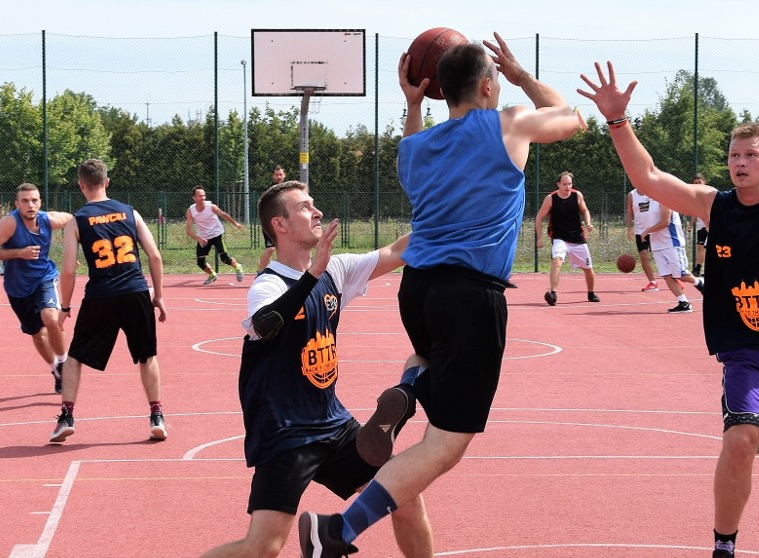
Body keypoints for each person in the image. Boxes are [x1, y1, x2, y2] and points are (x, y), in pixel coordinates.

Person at [299, 33, 583, 555]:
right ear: (486, 85)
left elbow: (414, 145)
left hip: (419, 289)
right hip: (471, 293)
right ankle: (337, 530)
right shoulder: (509, 122)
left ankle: (410, 387)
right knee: (446, 445)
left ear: (439, 91)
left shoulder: (415, 147)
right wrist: (521, 78)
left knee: (429, 354)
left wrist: (412, 106)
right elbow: (572, 117)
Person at [579, 60, 759, 558]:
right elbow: (650, 176)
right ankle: (724, 544)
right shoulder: (713, 205)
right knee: (742, 439)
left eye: (751, 154)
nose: (739, 162)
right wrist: (617, 121)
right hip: (749, 352)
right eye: (734, 154)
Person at [203, 180, 432, 558]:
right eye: (306, 207)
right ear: (280, 224)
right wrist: (312, 276)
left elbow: (397, 250)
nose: (318, 212)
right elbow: (265, 324)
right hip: (285, 432)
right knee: (263, 547)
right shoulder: (268, 285)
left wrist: (450, 215)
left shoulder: (336, 271)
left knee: (405, 492)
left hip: (333, 424)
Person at [51, 159, 167, 443]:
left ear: (81, 185)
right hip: (135, 291)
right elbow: (154, 256)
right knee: (146, 355)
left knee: (76, 357)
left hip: (101, 294)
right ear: (107, 182)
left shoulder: (77, 220)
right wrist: (158, 295)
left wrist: (65, 308)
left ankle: (66, 415)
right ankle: (157, 415)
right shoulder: (130, 212)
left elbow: (68, 270)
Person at [0, 183, 73, 393]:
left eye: (34, 200)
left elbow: (72, 219)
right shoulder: (9, 224)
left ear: (40, 202)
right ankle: (55, 370)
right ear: (17, 204)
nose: (30, 205)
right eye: (25, 201)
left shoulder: (49, 220)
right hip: (17, 287)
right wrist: (18, 253)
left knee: (51, 319)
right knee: (37, 335)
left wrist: (72, 251)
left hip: (44, 278)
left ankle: (64, 364)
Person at [534, 171, 600, 305]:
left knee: (588, 268)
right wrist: (539, 238)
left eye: (569, 184)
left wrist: (588, 223)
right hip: (559, 237)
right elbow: (539, 217)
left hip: (577, 237)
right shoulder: (551, 199)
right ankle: (553, 294)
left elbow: (585, 210)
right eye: (564, 184)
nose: (567, 186)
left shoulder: (577, 195)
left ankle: (591, 293)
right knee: (557, 261)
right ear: (558, 184)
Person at [639, 198, 702, 313]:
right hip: (657, 244)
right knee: (667, 275)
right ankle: (683, 303)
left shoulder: (665, 199)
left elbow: (665, 222)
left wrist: (647, 231)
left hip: (671, 242)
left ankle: (700, 283)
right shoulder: (650, 201)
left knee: (680, 274)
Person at [185, 186, 244, 285]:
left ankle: (238, 266)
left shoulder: (211, 207)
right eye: (200, 196)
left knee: (224, 259)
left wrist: (235, 223)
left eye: (204, 195)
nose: (203, 198)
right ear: (194, 198)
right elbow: (188, 229)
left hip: (216, 234)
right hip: (203, 237)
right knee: (200, 262)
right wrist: (198, 238)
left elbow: (223, 215)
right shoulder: (191, 211)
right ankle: (212, 274)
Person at [626, 186, 660, 291]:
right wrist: (629, 228)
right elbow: (629, 213)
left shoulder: (653, 191)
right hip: (640, 231)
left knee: (663, 255)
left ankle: (676, 277)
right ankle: (652, 282)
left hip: (656, 229)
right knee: (643, 255)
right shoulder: (631, 195)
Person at [257, 165, 286, 271]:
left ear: (284, 175)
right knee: (270, 248)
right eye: (277, 175)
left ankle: (282, 271)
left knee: (285, 249)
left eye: (280, 174)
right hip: (270, 222)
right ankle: (260, 273)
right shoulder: (270, 191)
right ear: (273, 176)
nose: (279, 177)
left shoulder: (288, 190)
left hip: (284, 222)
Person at [687, 172, 711, 276]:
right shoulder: (695, 197)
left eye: (699, 182)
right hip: (701, 226)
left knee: (710, 248)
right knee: (700, 247)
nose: (698, 184)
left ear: (704, 182)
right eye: (695, 183)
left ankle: (708, 270)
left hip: (710, 224)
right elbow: (695, 213)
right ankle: (697, 269)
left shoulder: (710, 193)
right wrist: (691, 225)